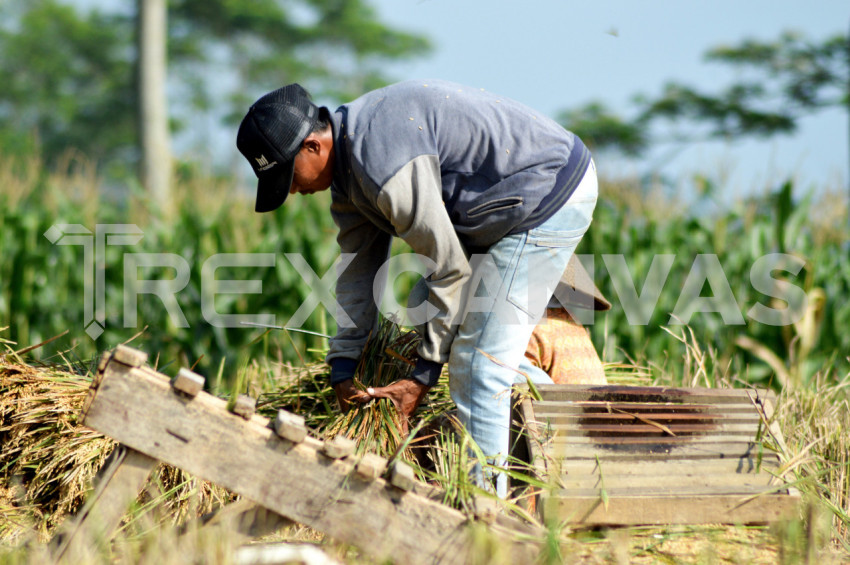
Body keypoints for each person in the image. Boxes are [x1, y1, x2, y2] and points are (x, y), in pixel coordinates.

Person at [237, 80, 599, 495]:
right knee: (425, 310)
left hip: (545, 195)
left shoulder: (382, 164)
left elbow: (449, 271)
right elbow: (358, 268)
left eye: (289, 176)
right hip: (494, 211)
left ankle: (491, 517)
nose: (293, 191)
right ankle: (550, 415)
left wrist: (422, 377)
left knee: (478, 364)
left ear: (313, 146)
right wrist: (343, 362)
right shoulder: (349, 177)